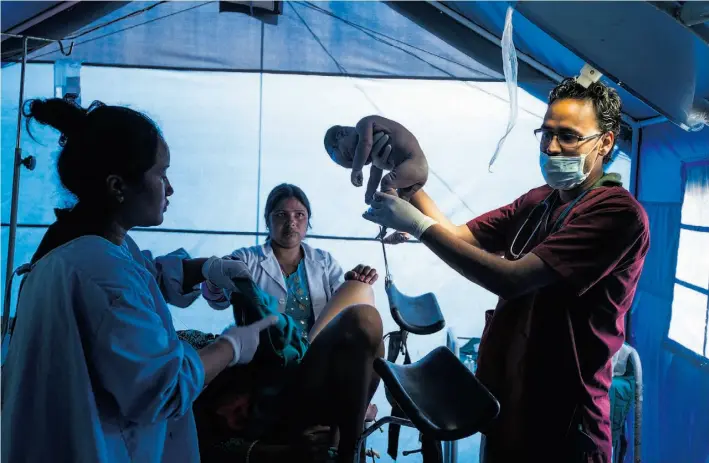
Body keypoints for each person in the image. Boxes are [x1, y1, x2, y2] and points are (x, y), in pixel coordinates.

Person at [363, 78, 650, 463]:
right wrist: (408, 173)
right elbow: (462, 237)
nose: (550, 147)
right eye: (545, 133)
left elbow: (511, 280)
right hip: (510, 404)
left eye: (567, 136)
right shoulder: (540, 201)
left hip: (565, 421)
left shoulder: (617, 214)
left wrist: (417, 226)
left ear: (605, 142)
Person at [1, 98, 277, 463]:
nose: (170, 188)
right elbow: (164, 389)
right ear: (118, 186)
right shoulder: (104, 272)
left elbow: (143, 277)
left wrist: (205, 268)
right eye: (161, 174)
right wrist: (232, 347)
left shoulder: (77, 245)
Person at [199, 183, 385, 463]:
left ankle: (306, 349)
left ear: (308, 221)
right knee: (365, 323)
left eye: (299, 215)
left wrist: (353, 279)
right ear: (268, 220)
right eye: (281, 215)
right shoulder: (247, 258)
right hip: (270, 361)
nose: (291, 223)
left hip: (315, 358)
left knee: (363, 297)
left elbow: (346, 306)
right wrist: (216, 273)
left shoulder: (323, 261)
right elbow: (216, 298)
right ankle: (348, 436)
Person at [324, 116, 429, 205]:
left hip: (413, 163)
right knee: (403, 204)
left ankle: (391, 211)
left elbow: (366, 143)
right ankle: (390, 222)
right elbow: (374, 176)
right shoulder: (373, 149)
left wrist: (356, 169)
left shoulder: (364, 124)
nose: (361, 161)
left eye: (351, 156)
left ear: (341, 134)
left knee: (387, 183)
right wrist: (369, 195)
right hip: (412, 171)